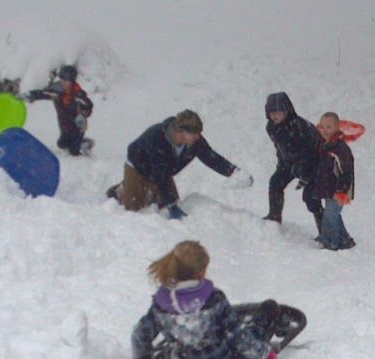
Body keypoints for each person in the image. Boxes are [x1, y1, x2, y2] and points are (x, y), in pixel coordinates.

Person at [131, 240, 281, 359]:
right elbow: (239, 338)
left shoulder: (161, 303)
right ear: (200, 273)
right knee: (268, 310)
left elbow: (140, 335)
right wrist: (265, 353)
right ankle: (260, 329)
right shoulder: (214, 299)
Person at [109, 110, 250, 219]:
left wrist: (234, 172)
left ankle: (144, 190)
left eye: (199, 133)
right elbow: (160, 175)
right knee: (134, 210)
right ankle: (120, 190)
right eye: (194, 133)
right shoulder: (157, 138)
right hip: (137, 166)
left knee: (165, 201)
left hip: (163, 170)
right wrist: (171, 206)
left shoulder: (195, 142)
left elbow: (211, 157)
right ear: (180, 131)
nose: (198, 136)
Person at [262, 92, 321, 224]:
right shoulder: (272, 128)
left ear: (286, 110)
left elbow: (311, 153)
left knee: (311, 198)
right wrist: (282, 166)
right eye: (272, 112)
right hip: (291, 164)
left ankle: (327, 231)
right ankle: (274, 217)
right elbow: (281, 148)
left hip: (316, 164)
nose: (275, 115)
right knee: (276, 182)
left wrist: (305, 175)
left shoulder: (300, 127)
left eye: (278, 111)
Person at [24, 64, 94, 156]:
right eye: (61, 79)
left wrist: (84, 113)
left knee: (73, 151)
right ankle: (80, 143)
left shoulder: (78, 94)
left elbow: (88, 106)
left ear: (71, 82)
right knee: (61, 144)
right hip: (64, 125)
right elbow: (43, 93)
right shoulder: (56, 91)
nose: (62, 82)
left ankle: (85, 144)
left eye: (66, 81)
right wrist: (31, 95)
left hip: (77, 127)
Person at [311, 112, 356, 250]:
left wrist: (342, 189)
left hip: (339, 189)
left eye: (329, 127)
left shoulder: (340, 148)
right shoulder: (324, 145)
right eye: (322, 127)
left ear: (337, 128)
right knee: (333, 214)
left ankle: (331, 242)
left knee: (330, 214)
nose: (325, 130)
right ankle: (344, 239)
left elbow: (346, 170)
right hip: (329, 187)